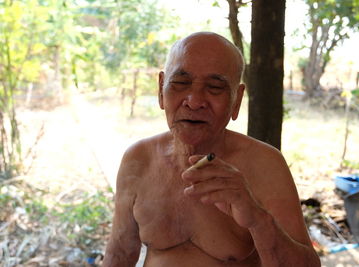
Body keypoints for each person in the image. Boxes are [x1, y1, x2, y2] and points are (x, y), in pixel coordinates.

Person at [102, 31, 321, 267]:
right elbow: (120, 253)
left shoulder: (265, 164)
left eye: (215, 87)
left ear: (236, 101)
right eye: (181, 83)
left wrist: (258, 220)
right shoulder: (139, 158)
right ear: (161, 90)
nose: (195, 101)